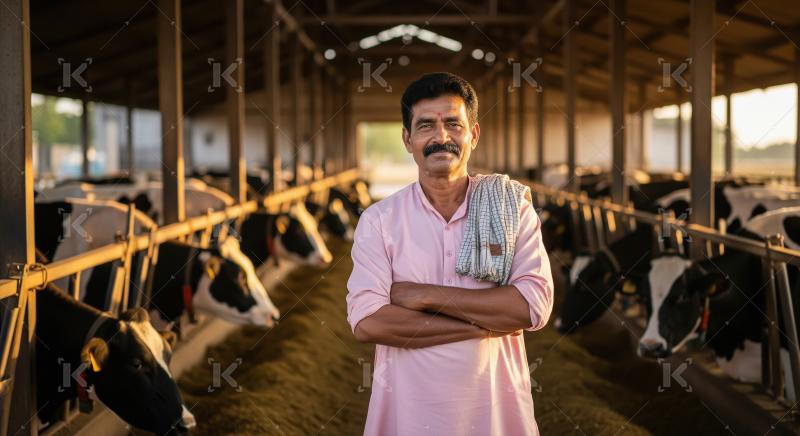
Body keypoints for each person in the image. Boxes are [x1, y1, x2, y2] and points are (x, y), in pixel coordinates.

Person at [346, 72, 554, 435]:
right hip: (407, 417)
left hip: (496, 418)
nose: (441, 137)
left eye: (453, 124)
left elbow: (531, 306)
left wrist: (425, 295)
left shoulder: (510, 208)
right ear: (407, 139)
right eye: (425, 126)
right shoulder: (379, 220)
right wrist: (487, 324)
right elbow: (369, 322)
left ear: (473, 134)